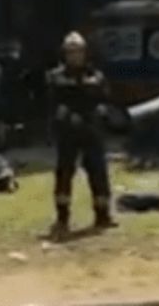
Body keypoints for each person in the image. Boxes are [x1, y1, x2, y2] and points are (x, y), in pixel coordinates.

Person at [47, 31, 115, 237]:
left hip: (92, 132)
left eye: (78, 52)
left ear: (85, 53)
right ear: (65, 54)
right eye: (71, 52)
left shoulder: (96, 76)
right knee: (64, 175)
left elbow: (105, 99)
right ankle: (62, 218)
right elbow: (52, 105)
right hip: (68, 133)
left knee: (99, 175)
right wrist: (69, 116)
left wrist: (101, 112)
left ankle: (103, 216)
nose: (75, 56)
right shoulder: (56, 77)